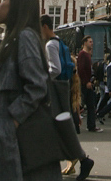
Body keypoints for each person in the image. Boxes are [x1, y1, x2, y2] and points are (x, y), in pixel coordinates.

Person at [0, 0, 63, 181]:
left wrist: (13, 120)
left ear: (17, 6)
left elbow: (37, 85)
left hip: (13, 138)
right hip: (1, 135)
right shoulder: (14, 38)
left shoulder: (25, 37)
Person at [40, 16, 91, 181]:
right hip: (63, 87)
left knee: (58, 128)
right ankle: (81, 160)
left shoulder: (50, 44)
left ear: (45, 26)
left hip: (56, 89)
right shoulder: (59, 42)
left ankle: (81, 160)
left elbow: (55, 69)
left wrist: (40, 77)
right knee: (60, 128)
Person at [75, 37, 99, 133]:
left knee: (91, 105)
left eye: (92, 41)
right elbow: (81, 69)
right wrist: (86, 81)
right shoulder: (82, 54)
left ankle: (91, 125)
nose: (92, 43)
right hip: (84, 84)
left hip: (88, 83)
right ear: (84, 43)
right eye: (90, 42)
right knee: (81, 104)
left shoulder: (87, 55)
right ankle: (76, 123)